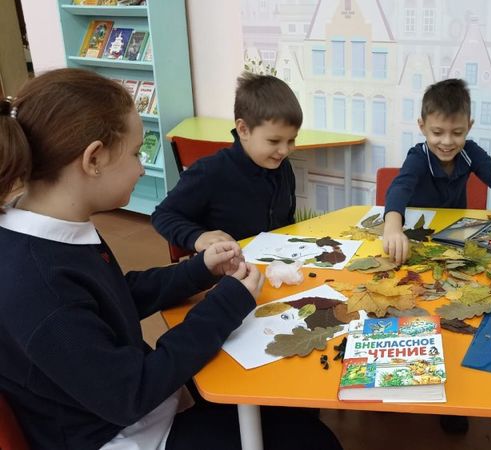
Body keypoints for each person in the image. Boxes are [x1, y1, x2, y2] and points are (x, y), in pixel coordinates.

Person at [0, 69, 341, 450]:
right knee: (313, 441)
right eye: (136, 153)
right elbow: (130, 394)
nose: (141, 167)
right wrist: (225, 305)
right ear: (93, 158)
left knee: (290, 412)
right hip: (125, 433)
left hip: (143, 406)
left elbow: (114, 296)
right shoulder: (36, 282)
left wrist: (200, 269)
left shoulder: (55, 231)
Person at [152, 72, 301, 253]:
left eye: (291, 140)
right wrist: (197, 237)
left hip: (275, 263)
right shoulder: (209, 172)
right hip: (226, 267)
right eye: (274, 141)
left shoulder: (283, 167)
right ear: (243, 130)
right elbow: (163, 215)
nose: (284, 150)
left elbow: (286, 221)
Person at [382, 78, 491, 263]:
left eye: (457, 133)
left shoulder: (470, 152)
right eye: (437, 133)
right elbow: (399, 188)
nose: (447, 142)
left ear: (469, 127)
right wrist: (392, 228)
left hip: (454, 238)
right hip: (418, 236)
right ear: (422, 127)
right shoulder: (418, 157)